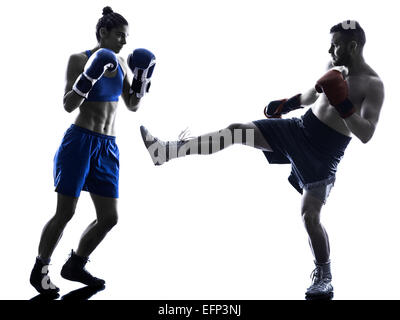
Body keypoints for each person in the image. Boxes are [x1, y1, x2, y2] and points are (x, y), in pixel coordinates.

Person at [140, 21, 384, 299]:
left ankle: (324, 276)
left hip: (324, 154)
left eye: (336, 44)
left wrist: (342, 104)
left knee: (310, 217)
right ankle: (165, 151)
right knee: (234, 132)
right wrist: (286, 104)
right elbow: (313, 94)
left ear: (353, 46)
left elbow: (366, 133)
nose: (330, 49)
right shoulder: (334, 64)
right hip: (298, 130)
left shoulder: (373, 85)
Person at [30, 6, 156, 295]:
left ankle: (75, 265)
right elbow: (68, 104)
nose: (124, 42)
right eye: (120, 36)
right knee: (66, 212)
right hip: (80, 141)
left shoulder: (123, 63)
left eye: (127, 37)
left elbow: (132, 106)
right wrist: (91, 75)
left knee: (109, 217)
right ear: (104, 33)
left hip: (107, 147)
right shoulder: (80, 59)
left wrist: (142, 81)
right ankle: (40, 269)